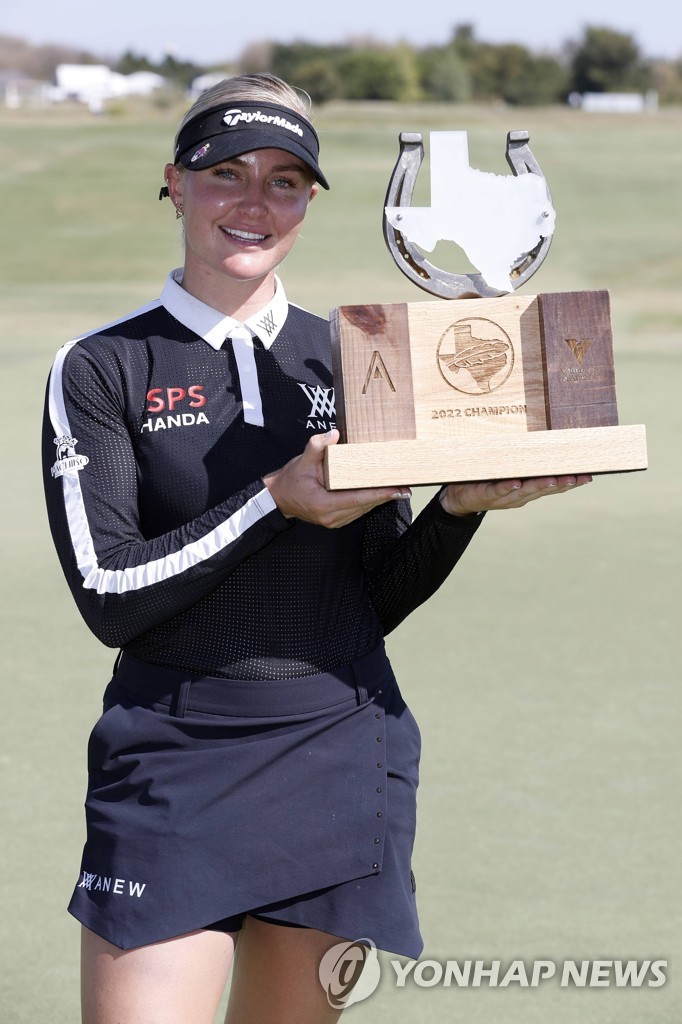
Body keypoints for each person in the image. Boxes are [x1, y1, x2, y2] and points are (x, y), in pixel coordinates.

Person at [42, 72, 591, 1024]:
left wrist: (456, 509)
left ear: (308, 201)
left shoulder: (354, 353)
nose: (255, 202)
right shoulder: (104, 366)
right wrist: (274, 502)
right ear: (174, 182)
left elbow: (371, 597)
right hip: (174, 752)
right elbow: (109, 595)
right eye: (227, 173)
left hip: (336, 742)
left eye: (286, 180)